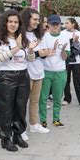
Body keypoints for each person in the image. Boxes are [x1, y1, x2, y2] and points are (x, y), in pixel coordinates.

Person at [0, 10, 37, 152]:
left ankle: (18, 135)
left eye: (16, 22)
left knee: (20, 107)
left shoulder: (23, 38)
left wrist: (30, 50)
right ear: (5, 23)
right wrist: (17, 47)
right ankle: (5, 138)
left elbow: (30, 59)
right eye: (10, 21)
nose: (13, 24)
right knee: (6, 109)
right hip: (6, 76)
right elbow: (0, 58)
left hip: (23, 75)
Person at [20, 8, 50, 136]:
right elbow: (20, 54)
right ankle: (20, 129)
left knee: (34, 101)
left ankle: (33, 124)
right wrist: (38, 53)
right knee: (22, 102)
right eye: (35, 19)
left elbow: (43, 52)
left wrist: (45, 53)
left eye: (39, 20)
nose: (37, 22)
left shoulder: (40, 35)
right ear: (27, 19)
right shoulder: (20, 35)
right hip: (25, 72)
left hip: (39, 72)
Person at [39, 14, 70, 129]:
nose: (55, 26)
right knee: (43, 98)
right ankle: (42, 120)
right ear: (49, 25)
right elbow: (41, 54)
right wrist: (51, 50)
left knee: (58, 97)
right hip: (46, 71)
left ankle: (56, 119)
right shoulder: (44, 37)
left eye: (57, 24)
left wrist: (62, 50)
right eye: (53, 24)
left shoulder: (64, 37)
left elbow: (65, 57)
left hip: (60, 71)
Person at [62, 18, 80, 108]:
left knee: (78, 82)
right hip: (66, 60)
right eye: (65, 23)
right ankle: (66, 99)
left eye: (67, 23)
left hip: (76, 61)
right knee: (66, 81)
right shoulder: (62, 33)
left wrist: (76, 41)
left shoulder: (78, 33)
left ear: (73, 24)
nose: (65, 25)